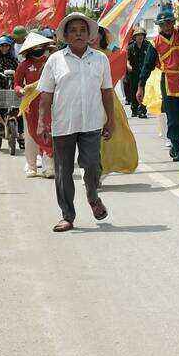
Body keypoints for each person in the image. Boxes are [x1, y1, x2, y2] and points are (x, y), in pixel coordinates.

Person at [37, 14, 115, 232]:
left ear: (89, 34)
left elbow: (107, 92)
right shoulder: (55, 60)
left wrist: (111, 121)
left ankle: (93, 197)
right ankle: (67, 215)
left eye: (83, 29)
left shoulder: (100, 59)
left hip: (91, 122)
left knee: (91, 165)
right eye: (74, 30)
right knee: (63, 171)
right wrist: (42, 122)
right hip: (63, 124)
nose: (79, 33)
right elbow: (45, 94)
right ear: (66, 35)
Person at [140, 9, 179, 161]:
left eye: (169, 23)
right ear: (159, 26)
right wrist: (141, 86)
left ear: (173, 22)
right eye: (163, 24)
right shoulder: (155, 43)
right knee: (172, 116)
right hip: (168, 81)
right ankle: (175, 146)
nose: (167, 26)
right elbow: (147, 65)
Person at [16, 33, 57, 178]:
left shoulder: (52, 63)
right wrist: (21, 90)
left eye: (41, 47)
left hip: (49, 104)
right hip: (30, 106)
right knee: (31, 136)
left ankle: (48, 167)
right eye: (36, 48)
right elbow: (17, 84)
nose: (39, 50)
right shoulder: (24, 65)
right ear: (30, 50)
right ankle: (31, 166)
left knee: (48, 134)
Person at [123, 27, 150, 118]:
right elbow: (127, 59)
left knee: (143, 90)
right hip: (134, 72)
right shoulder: (131, 47)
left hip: (144, 72)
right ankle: (134, 109)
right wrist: (128, 66)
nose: (140, 37)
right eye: (138, 35)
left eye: (141, 35)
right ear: (135, 37)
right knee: (134, 90)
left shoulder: (148, 45)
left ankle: (142, 109)